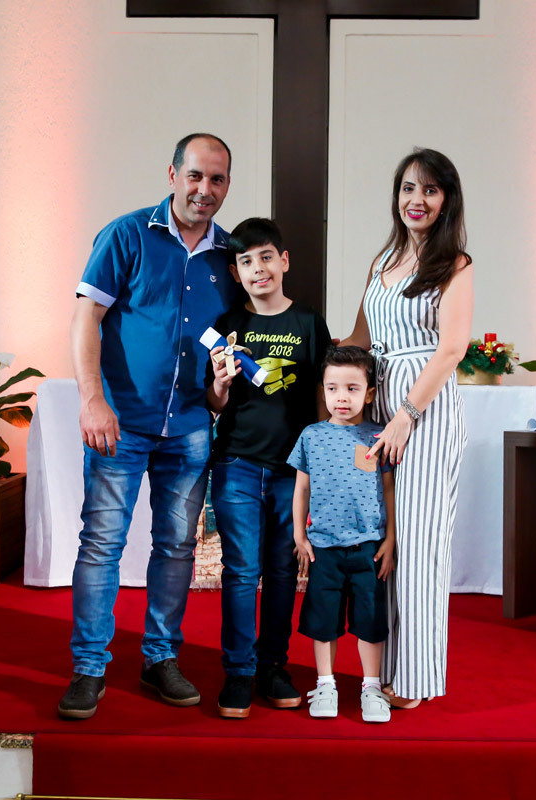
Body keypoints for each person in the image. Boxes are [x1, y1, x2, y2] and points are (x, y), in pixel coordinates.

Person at [58, 133, 237, 720]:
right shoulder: (127, 235)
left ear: (226, 186)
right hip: (121, 423)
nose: (204, 189)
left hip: (190, 427)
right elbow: (86, 317)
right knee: (101, 544)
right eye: (195, 175)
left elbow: (231, 343)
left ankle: (160, 658)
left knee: (177, 547)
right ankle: (89, 667)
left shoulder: (230, 257)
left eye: (217, 179)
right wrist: (92, 400)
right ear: (172, 174)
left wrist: (219, 395)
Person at [341, 148, 473, 707]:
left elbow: (452, 349)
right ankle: (384, 668)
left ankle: (415, 677)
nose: (416, 200)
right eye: (408, 189)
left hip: (424, 412)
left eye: (430, 190)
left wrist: (406, 416)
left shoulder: (454, 264)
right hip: (378, 408)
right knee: (383, 541)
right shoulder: (383, 260)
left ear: (446, 201)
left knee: (419, 543)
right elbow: (359, 339)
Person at [206, 217, 331, 719]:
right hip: (236, 464)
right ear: (235, 273)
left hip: (290, 473)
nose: (257, 268)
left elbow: (323, 398)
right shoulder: (225, 326)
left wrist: (319, 464)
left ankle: (273, 665)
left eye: (265, 257)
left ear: (284, 261)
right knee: (240, 571)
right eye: (246, 261)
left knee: (282, 570)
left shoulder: (309, 324)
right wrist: (220, 384)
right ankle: (238, 671)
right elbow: (214, 403)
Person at [288, 346, 396, 724]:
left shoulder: (379, 435)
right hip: (324, 548)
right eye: (333, 388)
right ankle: (325, 683)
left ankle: (371, 686)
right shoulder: (311, 436)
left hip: (369, 547)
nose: (341, 397)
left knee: (371, 618)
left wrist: (390, 538)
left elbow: (388, 491)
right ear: (323, 391)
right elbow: (301, 488)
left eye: (352, 388)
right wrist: (299, 534)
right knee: (323, 618)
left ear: (369, 393)